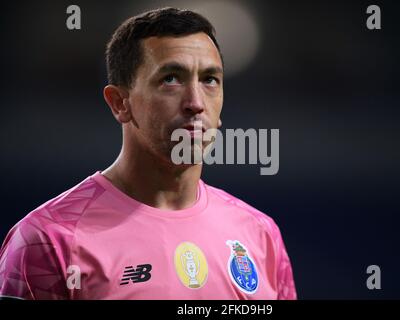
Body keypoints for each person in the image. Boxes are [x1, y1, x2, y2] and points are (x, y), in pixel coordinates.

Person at [0, 7, 297, 300]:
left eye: (209, 80)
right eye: (170, 79)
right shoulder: (47, 240)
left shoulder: (259, 234)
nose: (196, 103)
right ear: (119, 103)